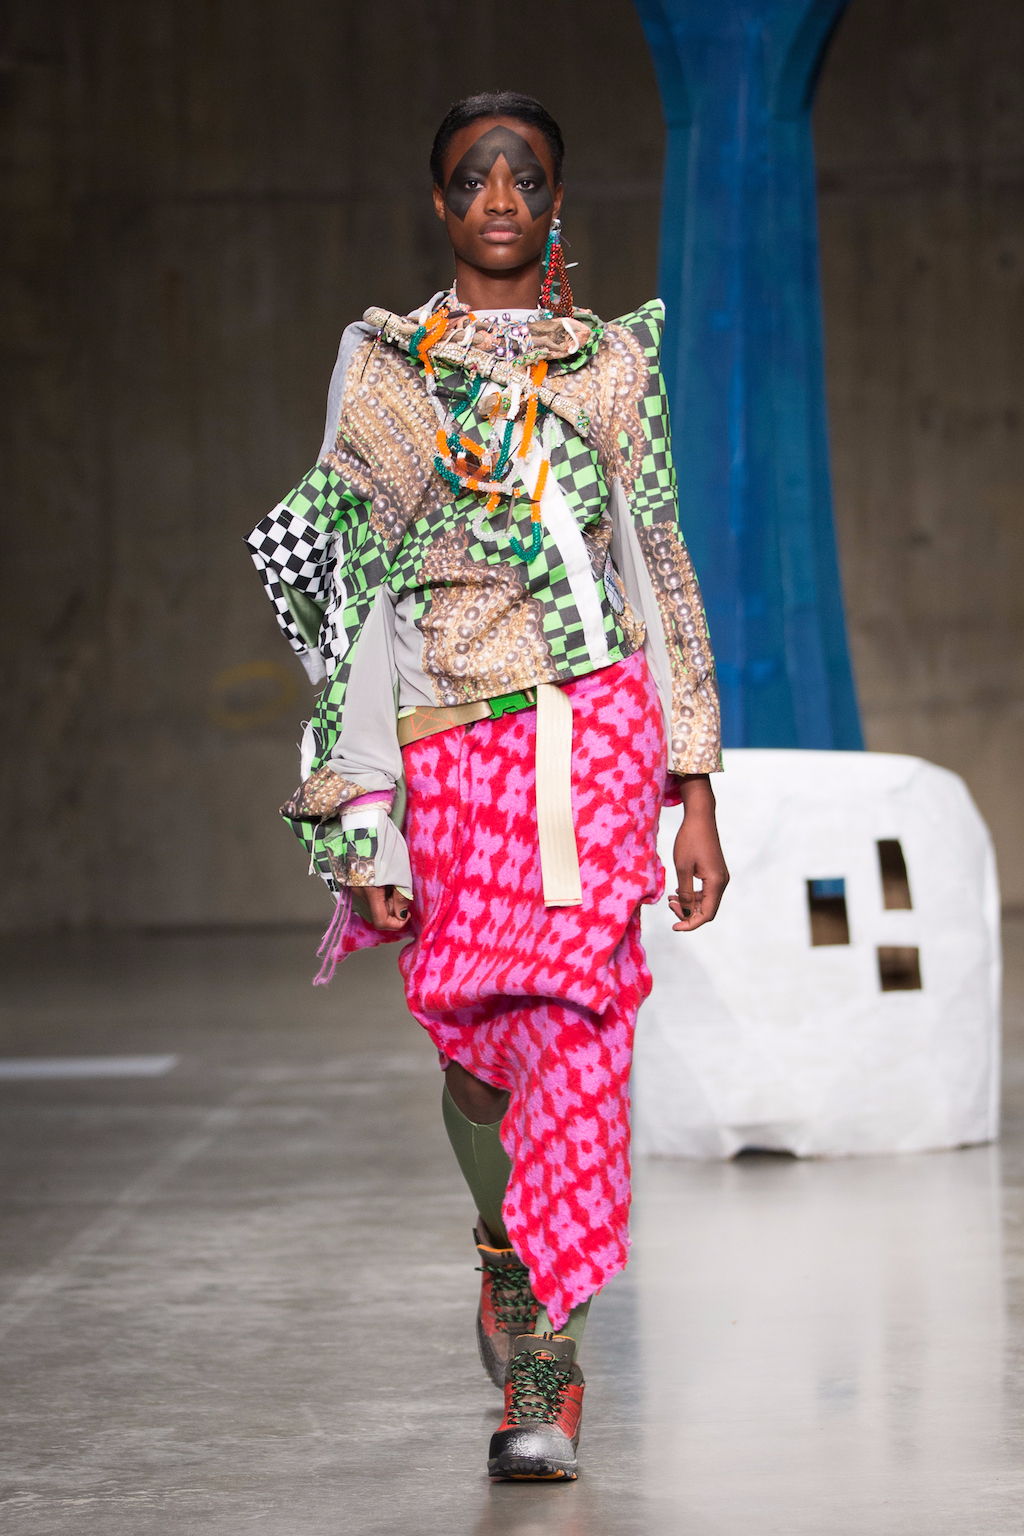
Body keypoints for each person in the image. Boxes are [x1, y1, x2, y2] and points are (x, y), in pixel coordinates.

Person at [246, 91, 728, 1482]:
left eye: (525, 176)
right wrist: (362, 811)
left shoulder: (613, 365)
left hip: (597, 735)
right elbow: (350, 601)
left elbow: (659, 560)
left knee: (578, 1030)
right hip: (451, 746)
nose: (501, 196)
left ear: (556, 201)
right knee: (476, 1049)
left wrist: (694, 782)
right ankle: (504, 1244)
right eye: (474, 177)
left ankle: (547, 1362)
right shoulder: (388, 369)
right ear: (441, 204)